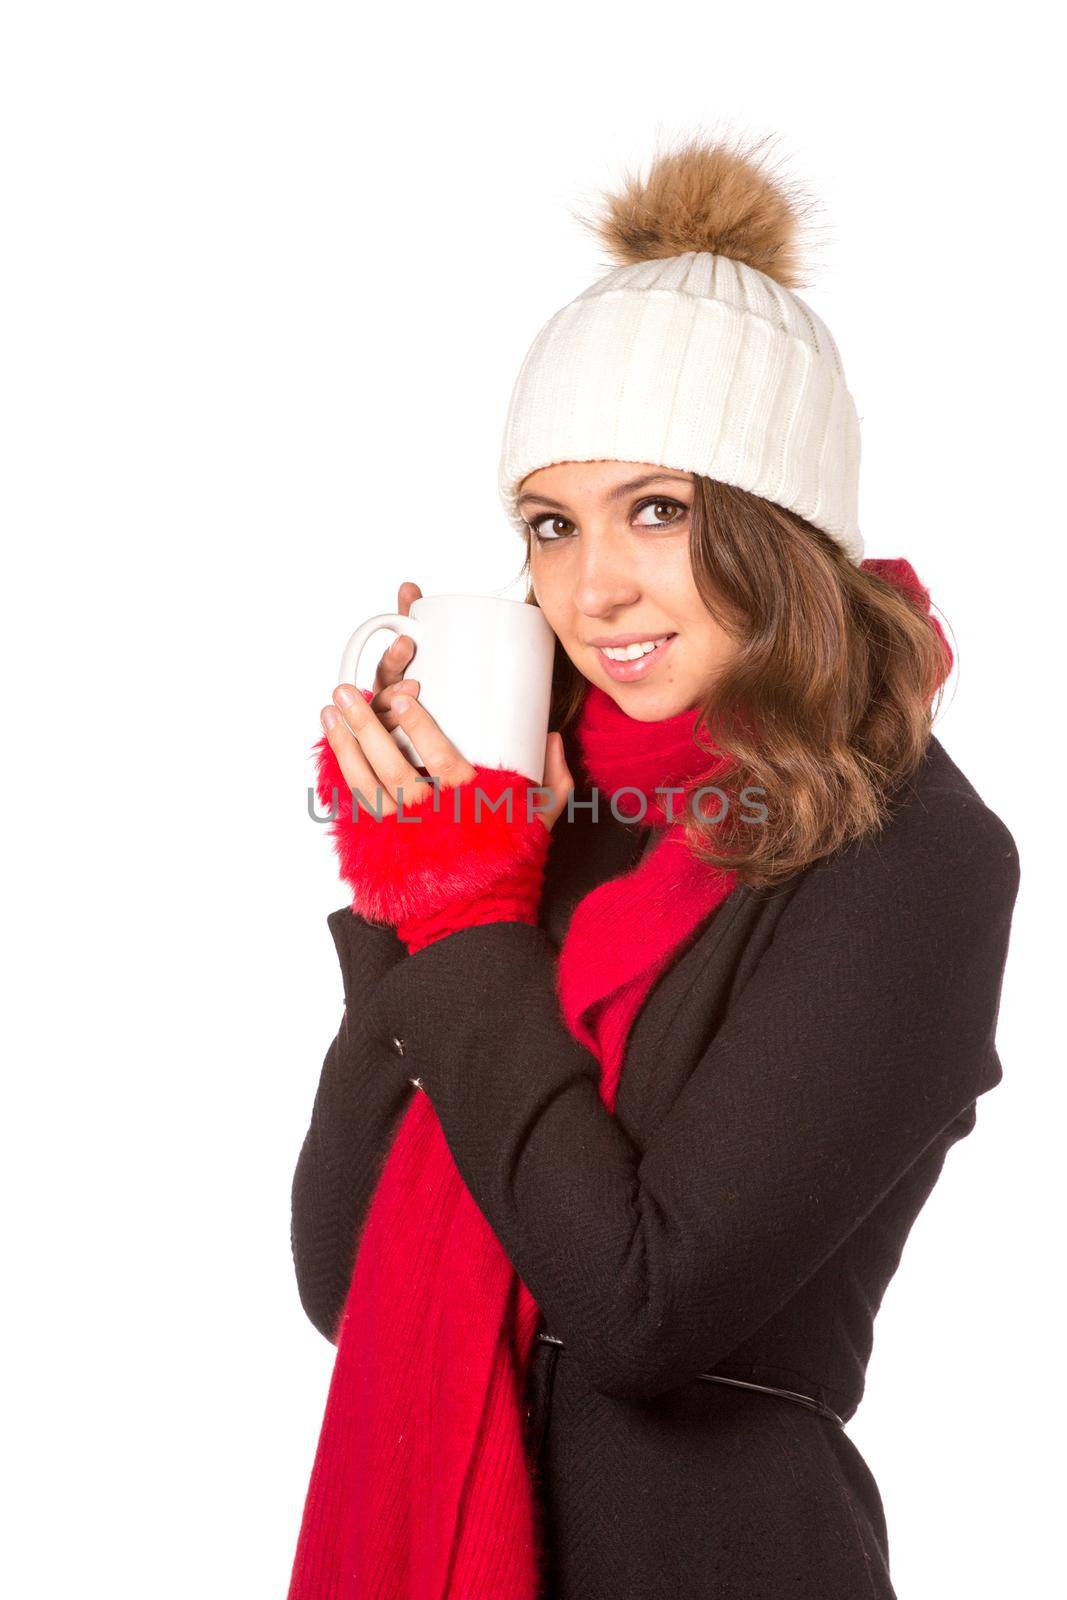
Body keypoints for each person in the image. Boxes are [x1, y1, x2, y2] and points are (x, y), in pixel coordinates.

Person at [286, 133, 1021, 1600]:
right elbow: (344, 1280)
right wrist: (407, 888)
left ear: (784, 528)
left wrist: (468, 915)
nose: (593, 587)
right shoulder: (551, 827)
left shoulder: (916, 855)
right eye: (551, 526)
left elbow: (638, 1307)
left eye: (659, 511)